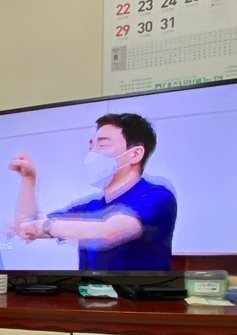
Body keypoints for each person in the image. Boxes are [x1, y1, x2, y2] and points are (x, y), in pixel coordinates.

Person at [10, 112, 177, 271]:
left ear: (135, 154)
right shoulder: (89, 207)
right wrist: (29, 179)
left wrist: (48, 225)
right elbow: (27, 226)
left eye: (102, 145)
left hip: (138, 292)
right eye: (91, 147)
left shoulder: (157, 196)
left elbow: (109, 233)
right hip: (89, 291)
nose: (92, 154)